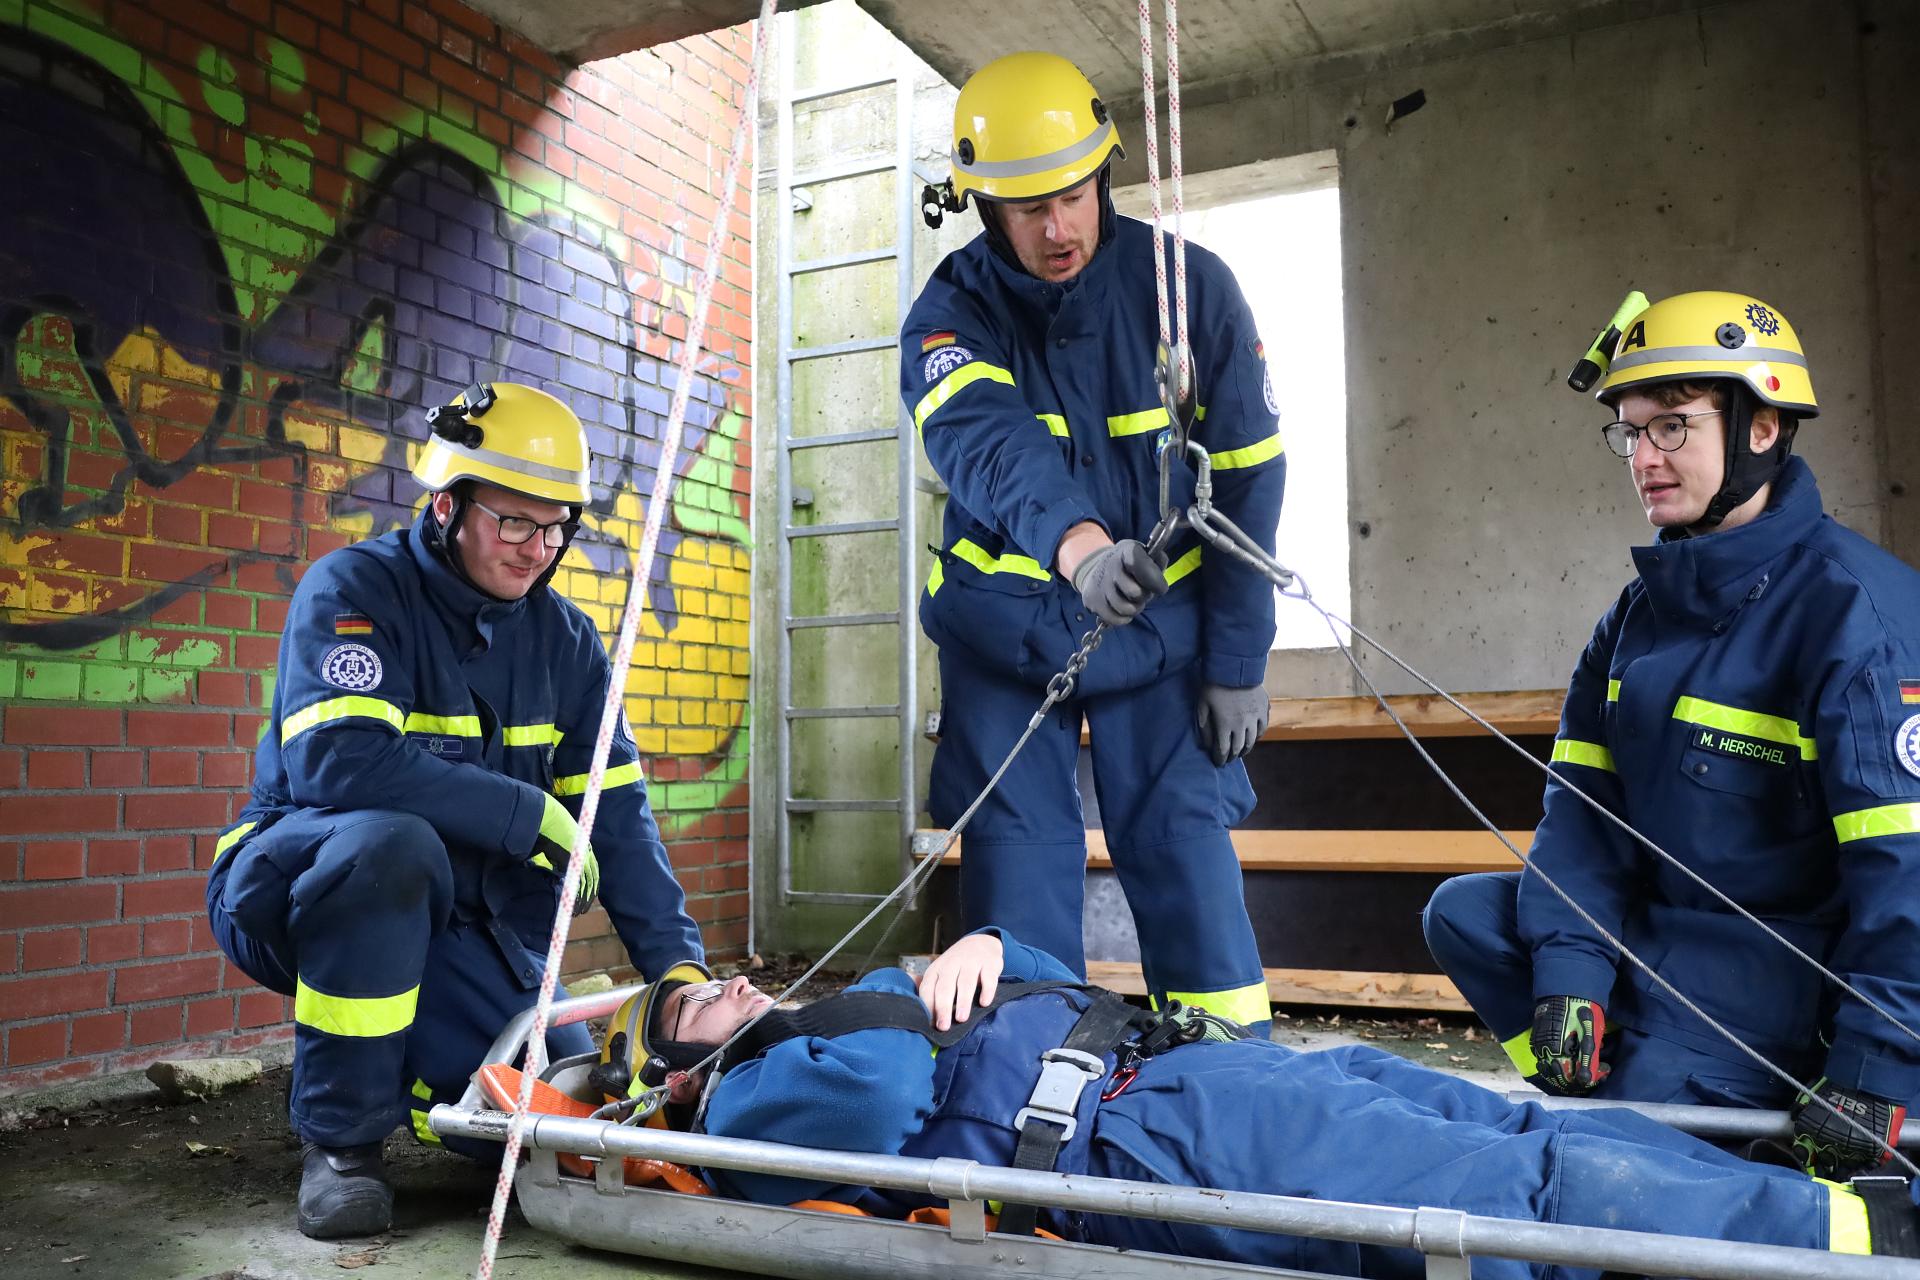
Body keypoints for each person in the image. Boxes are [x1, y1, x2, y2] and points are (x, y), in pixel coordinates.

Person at [616, 930, 1919, 1278]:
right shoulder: (748, 1100)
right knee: (1505, 1196)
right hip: (1152, 1140)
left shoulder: (811, 1030)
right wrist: (917, 974)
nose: (729, 983)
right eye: (698, 1003)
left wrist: (993, 943)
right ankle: (1854, 1251)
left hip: (1195, 1071)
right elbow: (885, 1082)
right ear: (680, 1072)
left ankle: (1841, 1206)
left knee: (1526, 1126)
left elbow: (1003, 995)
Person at [1421, 291, 1920, 1181]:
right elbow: (1581, 818)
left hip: (1786, 968)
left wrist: (1877, 1066)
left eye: (1672, 428)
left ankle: (1676, 1118)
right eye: (1630, 431)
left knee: (1597, 1176)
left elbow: (1909, 874)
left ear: (1762, 426)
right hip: (1665, 938)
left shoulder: (1859, 618)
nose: (1643, 457)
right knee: (1465, 914)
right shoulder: (1633, 617)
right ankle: (1629, 1088)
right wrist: (1571, 978)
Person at [205, 382, 704, 1239]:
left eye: (556, 526)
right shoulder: (355, 590)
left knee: (534, 1127)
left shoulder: (569, 643)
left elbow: (617, 818)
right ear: (446, 505)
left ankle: (404, 1060)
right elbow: (339, 759)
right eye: (514, 522)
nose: (538, 548)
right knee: (389, 846)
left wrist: (679, 971)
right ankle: (342, 1146)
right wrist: (528, 815)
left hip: (468, 924)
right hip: (305, 879)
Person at [903, 50, 1286, 1031]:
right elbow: (990, 446)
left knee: (1187, 862)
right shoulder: (950, 315)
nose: (1057, 227)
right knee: (1018, 880)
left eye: (1072, 195)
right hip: (1003, 645)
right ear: (982, 206)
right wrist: (1080, 549)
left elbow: (1247, 479)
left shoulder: (1193, 290)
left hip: (1162, 642)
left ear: (1104, 172)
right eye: (1026, 207)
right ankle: (1033, 1108)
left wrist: (1238, 659)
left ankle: (1228, 1091)